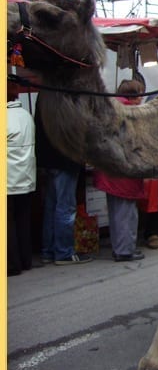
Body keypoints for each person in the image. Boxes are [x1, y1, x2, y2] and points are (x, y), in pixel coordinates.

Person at [35, 97, 93, 266]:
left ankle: (48, 250)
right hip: (65, 159)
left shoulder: (44, 96)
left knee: (51, 206)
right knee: (65, 208)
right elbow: (74, 129)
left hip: (47, 159)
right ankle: (64, 252)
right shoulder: (66, 97)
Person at [93, 80, 146, 262]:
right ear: (133, 96)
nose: (142, 99)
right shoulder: (127, 113)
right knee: (126, 212)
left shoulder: (110, 107)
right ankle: (125, 250)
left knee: (116, 212)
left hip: (108, 169)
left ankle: (119, 247)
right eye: (140, 95)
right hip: (123, 171)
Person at [7, 82, 37, 276]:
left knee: (7, 224)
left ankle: (11, 264)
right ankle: (26, 259)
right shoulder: (26, 115)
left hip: (8, 180)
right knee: (23, 221)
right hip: (26, 177)